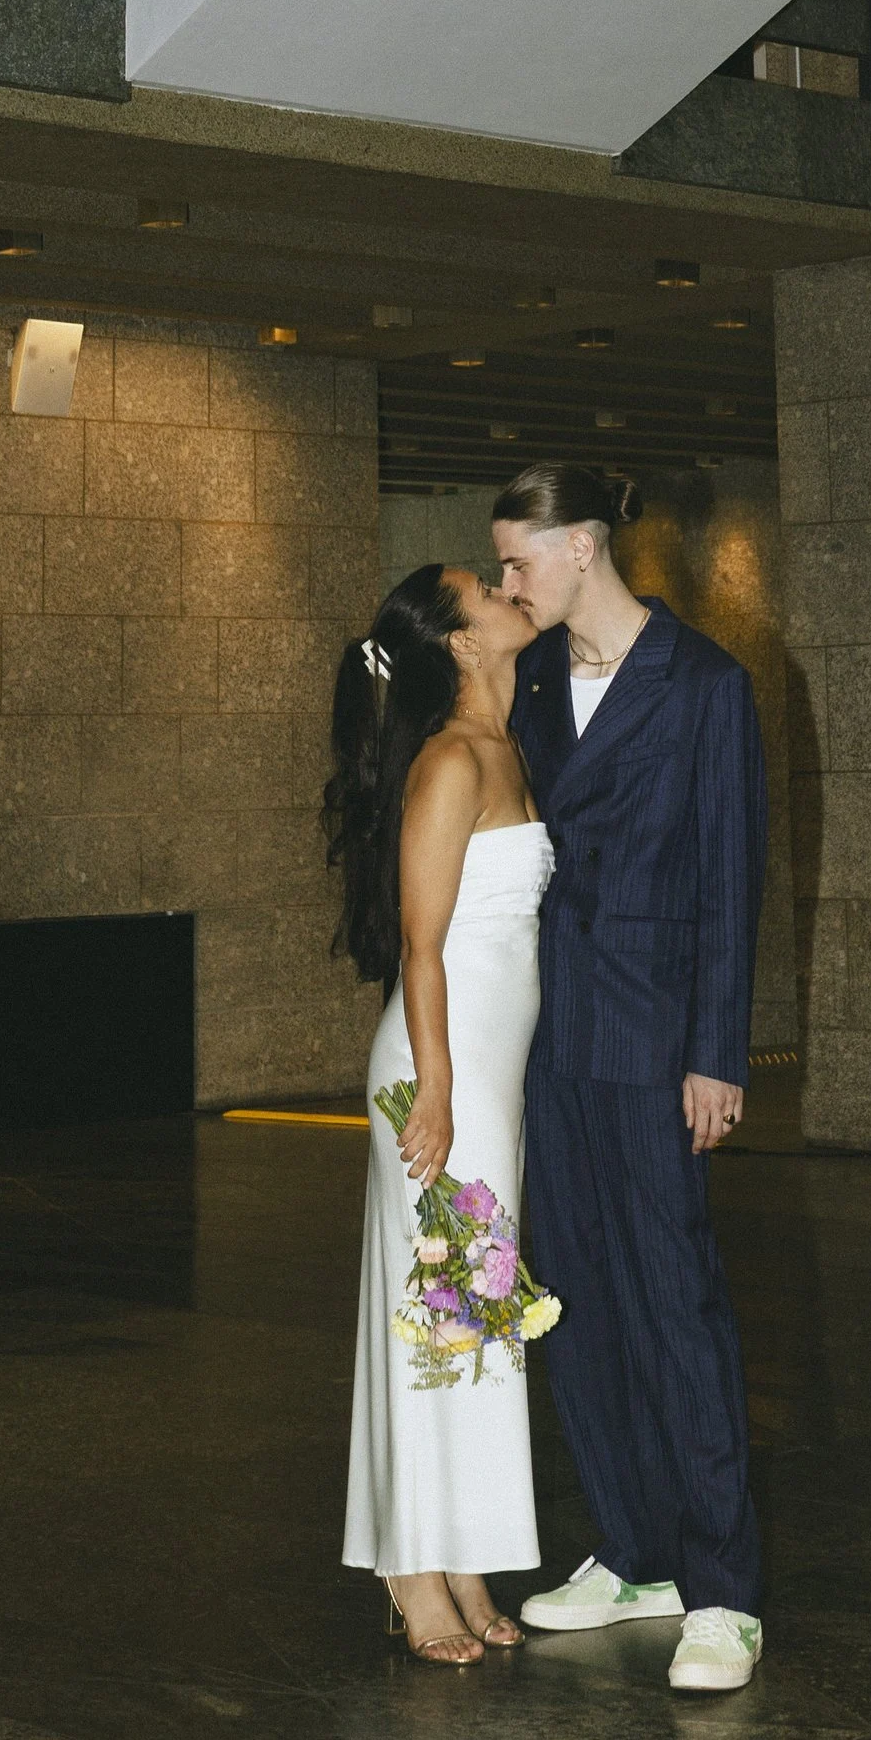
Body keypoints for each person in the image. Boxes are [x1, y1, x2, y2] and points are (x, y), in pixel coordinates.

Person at [497, 463, 769, 1696]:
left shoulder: (704, 683)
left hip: (656, 1037)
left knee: (675, 1304)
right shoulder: (537, 677)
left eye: (518, 562)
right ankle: (636, 1549)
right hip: (553, 1034)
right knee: (578, 1301)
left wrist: (717, 1050)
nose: (508, 584)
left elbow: (730, 877)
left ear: (581, 549)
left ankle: (722, 1591)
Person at [328, 561, 555, 1666]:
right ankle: (412, 1569)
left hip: (482, 1083)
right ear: (462, 643)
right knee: (435, 1315)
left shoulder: (511, 746)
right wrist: (438, 1090)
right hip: (436, 1081)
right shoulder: (451, 759)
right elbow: (421, 944)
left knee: (472, 1318)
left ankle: (461, 1551)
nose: (511, 590)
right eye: (486, 589)